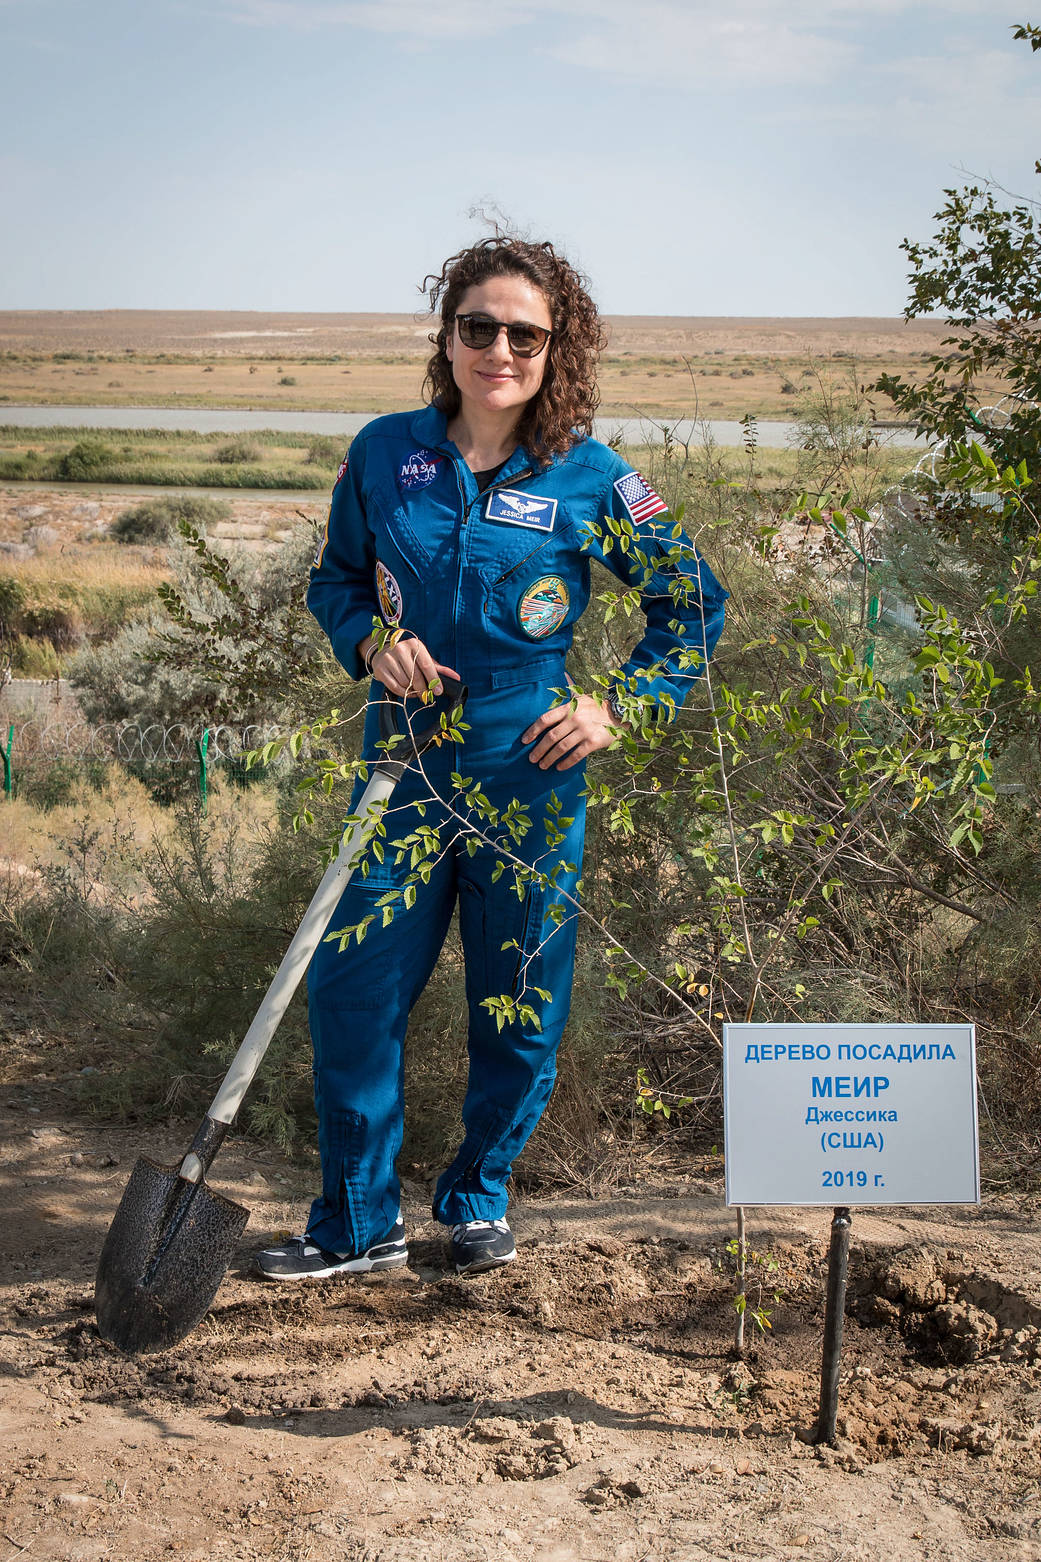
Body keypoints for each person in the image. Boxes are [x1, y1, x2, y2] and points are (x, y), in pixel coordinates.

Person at [257, 235, 727, 1281]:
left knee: (518, 999)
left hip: (531, 768)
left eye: (525, 334)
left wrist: (618, 708)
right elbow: (336, 583)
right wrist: (371, 644)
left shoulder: (592, 477)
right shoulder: (385, 454)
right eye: (479, 327)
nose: (500, 350)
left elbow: (693, 605)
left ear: (558, 349)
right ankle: (356, 1222)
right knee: (352, 988)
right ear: (448, 336)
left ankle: (477, 1199)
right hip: (404, 762)